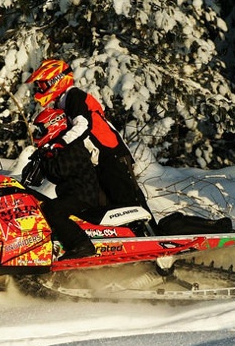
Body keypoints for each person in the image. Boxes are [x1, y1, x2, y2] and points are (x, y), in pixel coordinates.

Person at [25, 59, 158, 232]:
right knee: (112, 205)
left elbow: (83, 125)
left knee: (130, 200)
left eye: (43, 84)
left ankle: (157, 236)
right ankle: (131, 240)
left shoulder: (73, 96)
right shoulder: (63, 103)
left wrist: (60, 143)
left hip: (111, 154)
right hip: (100, 159)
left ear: (55, 80)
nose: (40, 89)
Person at [22, 108, 102, 261]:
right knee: (42, 206)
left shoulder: (70, 145)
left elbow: (61, 170)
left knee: (54, 210)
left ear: (53, 125)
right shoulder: (56, 147)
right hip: (73, 193)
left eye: (40, 130)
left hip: (83, 194)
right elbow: (42, 178)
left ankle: (82, 245)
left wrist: (45, 159)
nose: (37, 135)